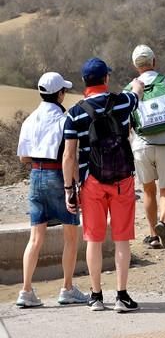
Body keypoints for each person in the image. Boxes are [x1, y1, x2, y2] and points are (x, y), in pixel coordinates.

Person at [62, 57, 144, 312]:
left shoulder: (74, 114)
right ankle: (121, 296)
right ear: (106, 79)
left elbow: (69, 156)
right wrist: (139, 82)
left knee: (94, 240)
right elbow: (137, 92)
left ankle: (96, 296)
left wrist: (68, 190)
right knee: (121, 240)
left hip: (91, 182)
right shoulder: (122, 102)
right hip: (122, 180)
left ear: (84, 82)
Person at [15, 72, 89, 308]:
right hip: (59, 174)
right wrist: (77, 184)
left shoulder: (30, 119)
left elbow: (23, 157)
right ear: (60, 94)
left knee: (35, 238)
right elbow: (69, 156)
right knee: (70, 235)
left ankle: (26, 290)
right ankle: (67, 288)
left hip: (36, 174)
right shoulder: (64, 119)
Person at [127, 45, 165, 251]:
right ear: (154, 61)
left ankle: (152, 236)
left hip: (141, 146)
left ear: (135, 66)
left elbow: (127, 125)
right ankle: (163, 222)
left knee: (149, 192)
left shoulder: (129, 90)